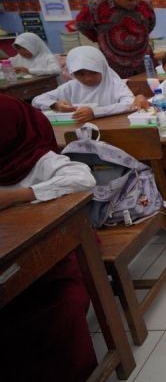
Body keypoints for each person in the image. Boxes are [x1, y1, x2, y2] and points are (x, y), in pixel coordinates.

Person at [0, 94, 97, 382]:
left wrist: (17, 196)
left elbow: (84, 179)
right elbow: (44, 98)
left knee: (57, 312)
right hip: (11, 252)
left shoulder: (38, 159)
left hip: (57, 249)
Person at [74, 0, 156, 78]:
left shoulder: (145, 5)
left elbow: (151, 24)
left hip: (143, 62)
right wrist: (101, 39)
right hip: (113, 65)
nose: (134, 3)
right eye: (129, 0)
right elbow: (82, 25)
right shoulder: (96, 6)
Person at [32, 46, 135, 124]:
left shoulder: (114, 84)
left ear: (102, 68)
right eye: (80, 74)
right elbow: (36, 100)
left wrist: (95, 112)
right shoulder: (71, 86)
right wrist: (55, 105)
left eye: (94, 72)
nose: (87, 78)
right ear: (72, 73)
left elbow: (130, 103)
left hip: (112, 127)